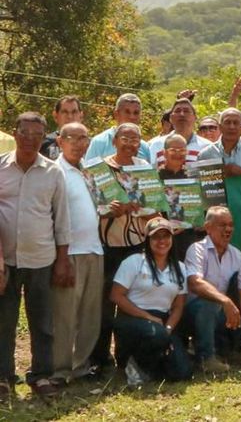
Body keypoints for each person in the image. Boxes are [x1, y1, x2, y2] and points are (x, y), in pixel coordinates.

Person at [0, 112, 71, 398]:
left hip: (42, 258)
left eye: (36, 135)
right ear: (15, 133)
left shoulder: (54, 172)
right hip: (5, 261)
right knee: (4, 321)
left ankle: (41, 376)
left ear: (44, 139)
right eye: (25, 132)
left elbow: (61, 219)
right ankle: (3, 378)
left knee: (42, 321)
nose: (30, 139)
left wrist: (63, 260)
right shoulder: (0, 169)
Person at [91, 122, 153, 375]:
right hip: (108, 245)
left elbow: (155, 208)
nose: (129, 143)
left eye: (134, 138)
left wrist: (141, 209)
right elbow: (90, 206)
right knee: (105, 304)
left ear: (140, 143)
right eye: (124, 138)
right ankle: (99, 359)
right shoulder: (99, 169)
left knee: (133, 301)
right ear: (114, 140)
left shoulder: (144, 168)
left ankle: (127, 357)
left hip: (137, 244)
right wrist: (108, 211)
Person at [183, 206, 241, 373]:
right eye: (222, 225)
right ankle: (206, 358)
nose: (228, 229)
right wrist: (224, 300)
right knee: (209, 305)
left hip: (223, 312)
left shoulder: (237, 255)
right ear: (208, 227)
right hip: (194, 313)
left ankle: (230, 347)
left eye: (231, 225)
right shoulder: (196, 249)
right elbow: (195, 283)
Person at [51, 121, 104, 385]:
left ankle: (80, 366)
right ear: (60, 141)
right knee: (65, 315)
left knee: (89, 314)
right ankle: (60, 370)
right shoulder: (54, 171)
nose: (81, 143)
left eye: (85, 138)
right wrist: (61, 258)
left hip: (94, 248)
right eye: (74, 138)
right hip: (69, 253)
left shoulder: (88, 170)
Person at [111, 217, 191, 384]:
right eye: (156, 237)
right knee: (157, 334)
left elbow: (178, 305)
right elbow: (116, 295)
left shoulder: (180, 267)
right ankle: (132, 364)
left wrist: (168, 328)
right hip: (132, 318)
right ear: (147, 240)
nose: (161, 241)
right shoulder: (134, 262)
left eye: (166, 236)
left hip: (163, 321)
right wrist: (147, 317)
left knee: (182, 372)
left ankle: (148, 369)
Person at [196, 108, 241, 176]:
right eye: (227, 122)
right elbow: (201, 185)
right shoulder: (206, 154)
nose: (232, 127)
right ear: (220, 127)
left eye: (236, 123)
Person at [84, 93, 153, 164]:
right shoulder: (99, 142)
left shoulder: (144, 147)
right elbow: (89, 172)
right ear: (116, 114)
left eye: (136, 113)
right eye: (127, 112)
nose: (132, 117)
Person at [149, 98, 212, 170]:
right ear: (170, 118)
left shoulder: (207, 147)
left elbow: (211, 177)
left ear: (195, 117)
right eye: (178, 111)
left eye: (186, 111)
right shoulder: (156, 145)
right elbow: (150, 176)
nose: (182, 114)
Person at [40, 95, 83, 161]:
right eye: (64, 112)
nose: (70, 117)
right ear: (55, 116)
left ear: (81, 116)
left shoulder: (92, 145)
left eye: (74, 112)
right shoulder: (43, 144)